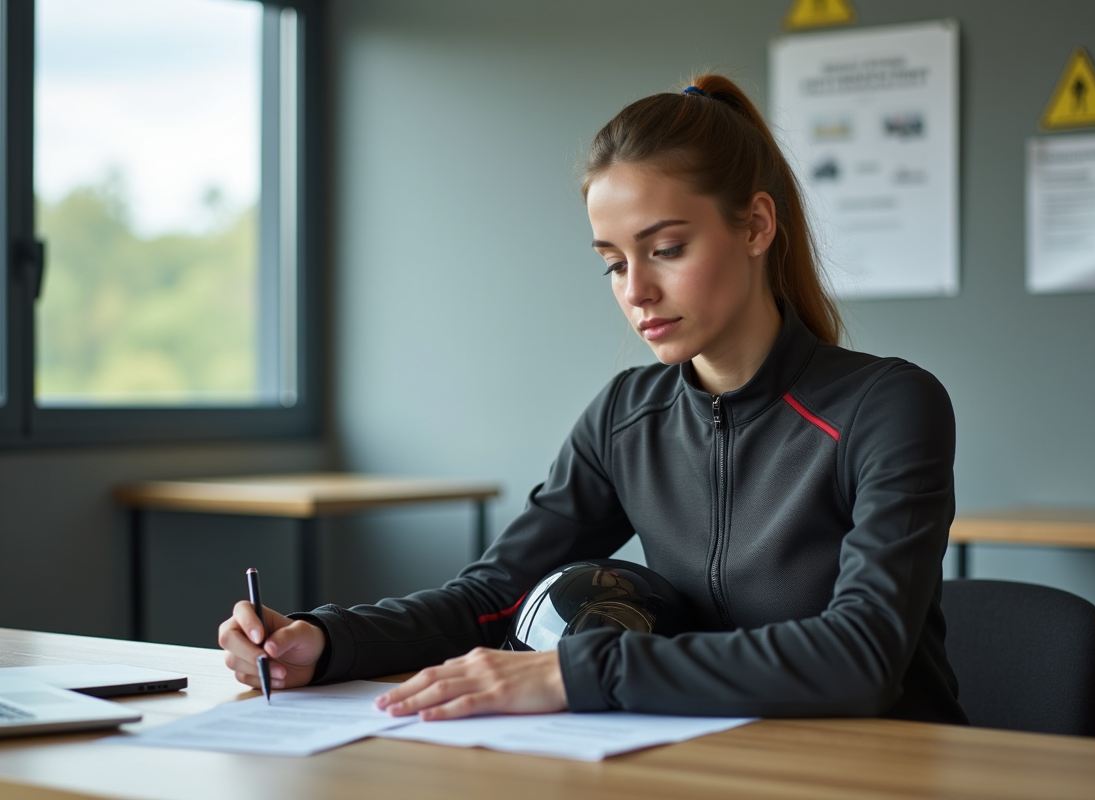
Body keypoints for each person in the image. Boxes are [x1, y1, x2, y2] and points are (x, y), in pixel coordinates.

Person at [218, 74, 967, 725]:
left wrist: (576, 673)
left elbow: (862, 655)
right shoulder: (625, 417)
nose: (636, 291)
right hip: (709, 757)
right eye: (612, 263)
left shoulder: (888, 407)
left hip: (883, 766)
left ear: (756, 225)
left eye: (666, 249)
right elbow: (493, 595)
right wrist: (326, 641)